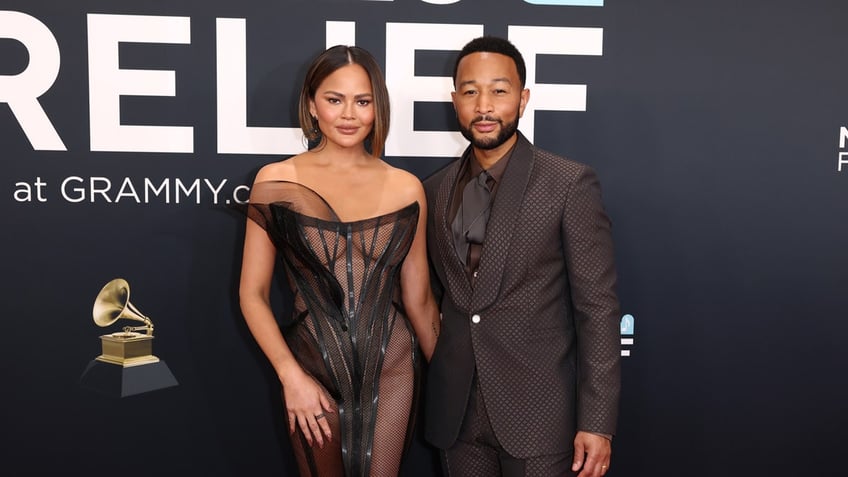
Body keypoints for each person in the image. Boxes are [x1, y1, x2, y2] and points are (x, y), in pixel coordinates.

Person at [423, 36, 621, 477]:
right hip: (456, 418)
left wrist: (597, 422)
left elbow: (597, 309)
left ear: (523, 98)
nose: (484, 106)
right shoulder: (434, 190)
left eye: (499, 90)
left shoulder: (568, 183)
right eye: (471, 91)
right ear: (455, 100)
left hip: (540, 416)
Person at [238, 45, 440, 477]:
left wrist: (450, 382)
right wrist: (290, 377)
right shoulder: (276, 180)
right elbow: (252, 294)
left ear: (377, 108)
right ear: (312, 105)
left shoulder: (406, 187)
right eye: (335, 99)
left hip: (393, 370)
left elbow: (419, 299)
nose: (349, 114)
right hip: (311, 369)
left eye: (363, 101)